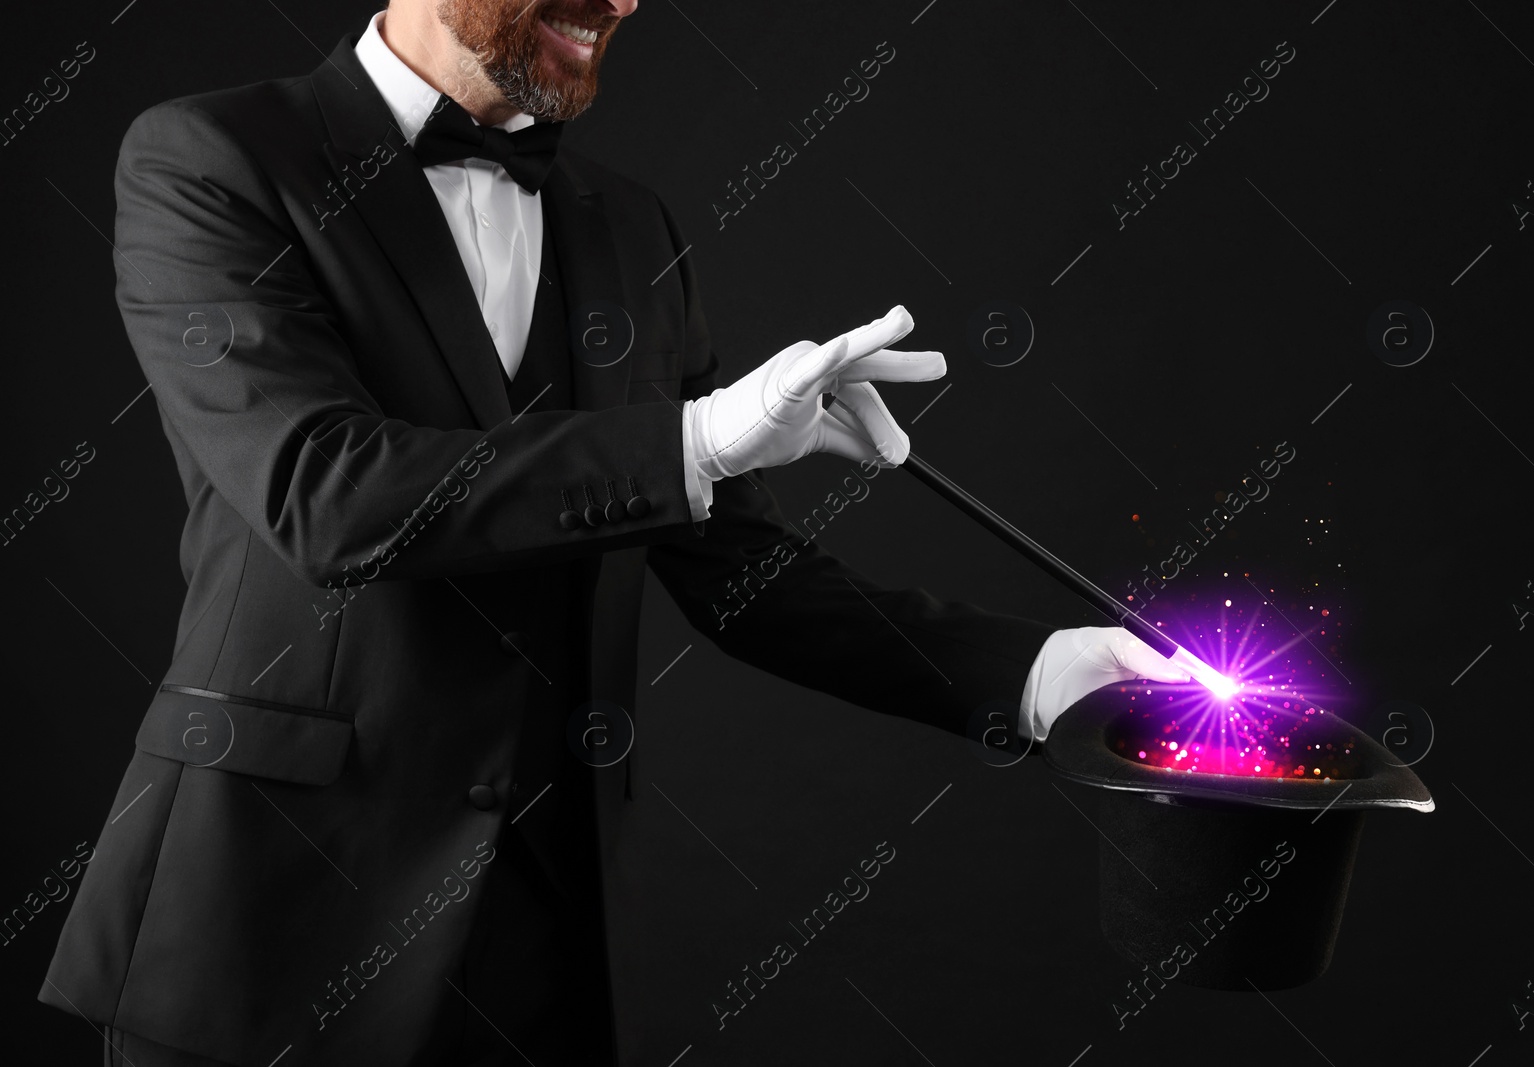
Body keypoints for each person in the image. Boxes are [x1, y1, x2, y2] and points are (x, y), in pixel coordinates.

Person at [40, 3, 1190, 1064]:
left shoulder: (630, 224)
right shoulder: (210, 155)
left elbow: (737, 571)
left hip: (544, 930)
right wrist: (694, 439)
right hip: (269, 919)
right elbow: (326, 492)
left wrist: (1036, 675)